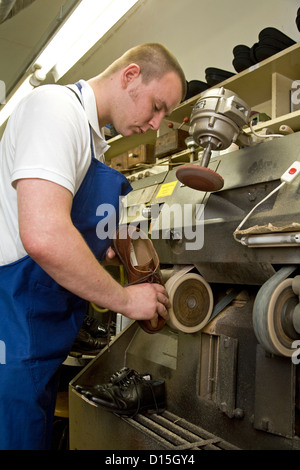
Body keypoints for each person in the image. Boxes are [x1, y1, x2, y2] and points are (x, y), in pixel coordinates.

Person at [0, 43, 186, 450]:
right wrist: (124, 300)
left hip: (39, 338)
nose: (157, 125)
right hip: (12, 326)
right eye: (156, 106)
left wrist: (103, 241)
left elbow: (65, 224)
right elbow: (44, 236)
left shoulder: (93, 143)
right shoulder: (54, 109)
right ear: (130, 75)